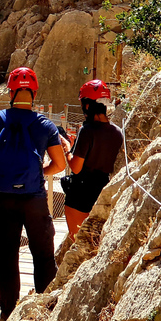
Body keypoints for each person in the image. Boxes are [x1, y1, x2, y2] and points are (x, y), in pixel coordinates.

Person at [0, 67, 66, 321]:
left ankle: (6, 312)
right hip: (34, 198)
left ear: (11, 92)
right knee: (43, 254)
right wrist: (39, 173)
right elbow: (60, 164)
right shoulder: (44, 124)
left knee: (5, 255)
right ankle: (44, 311)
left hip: (3, 198)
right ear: (33, 93)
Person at [63, 80, 123, 239]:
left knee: (77, 241)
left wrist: (67, 148)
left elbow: (76, 167)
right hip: (102, 191)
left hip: (80, 193)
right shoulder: (117, 133)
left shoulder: (87, 130)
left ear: (88, 105)